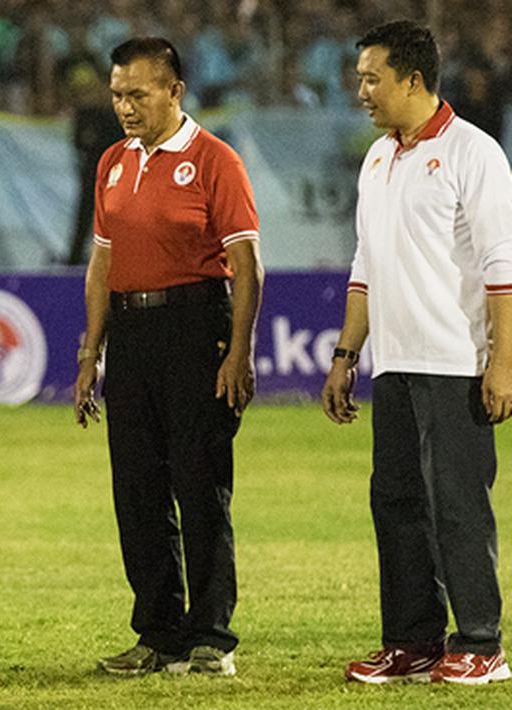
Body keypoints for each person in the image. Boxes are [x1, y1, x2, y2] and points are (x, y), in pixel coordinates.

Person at [321, 20, 512, 686]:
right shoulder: (378, 159)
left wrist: (502, 362)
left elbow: (500, 266)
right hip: (394, 365)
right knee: (395, 502)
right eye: (359, 79)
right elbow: (364, 265)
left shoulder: (473, 153)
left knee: (457, 504)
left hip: (456, 363)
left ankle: (480, 642)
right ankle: (411, 640)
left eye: (372, 79)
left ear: (412, 79)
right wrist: (347, 354)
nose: (362, 92)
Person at [74, 36, 263, 677]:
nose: (124, 106)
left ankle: (211, 636)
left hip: (193, 325)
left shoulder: (215, 160)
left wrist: (238, 351)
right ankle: (158, 634)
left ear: (174, 90)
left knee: (199, 484)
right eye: (117, 94)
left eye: (138, 93)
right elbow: (101, 263)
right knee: (138, 491)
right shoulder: (112, 163)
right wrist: (89, 351)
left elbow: (245, 264)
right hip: (130, 333)